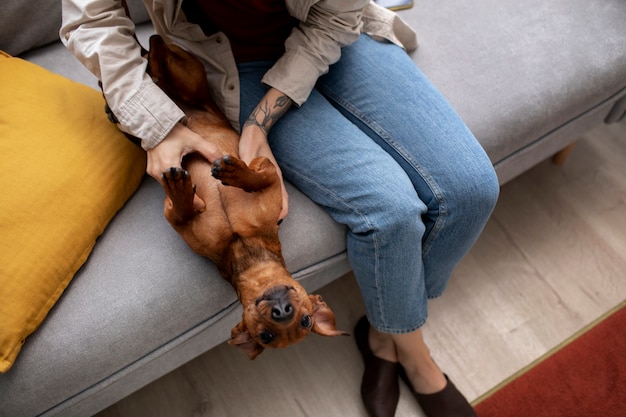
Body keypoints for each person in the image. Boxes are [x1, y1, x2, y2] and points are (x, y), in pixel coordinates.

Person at [61, 1, 499, 416]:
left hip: (335, 32)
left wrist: (259, 123)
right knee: (390, 214)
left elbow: (333, 18)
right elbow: (90, 19)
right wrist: (155, 124)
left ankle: (386, 337)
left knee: (472, 190)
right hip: (231, 64)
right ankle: (416, 357)